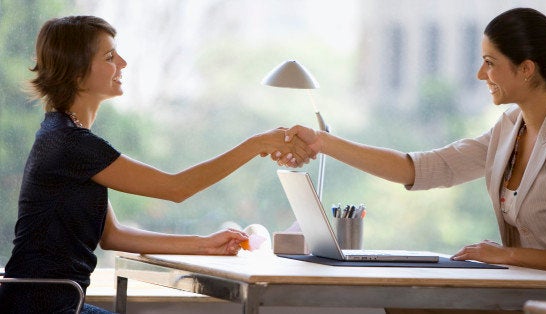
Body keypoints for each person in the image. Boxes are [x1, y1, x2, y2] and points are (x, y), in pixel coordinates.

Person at [286, 6, 546, 286]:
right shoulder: (509, 129)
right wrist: (324, 143)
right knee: (402, 300)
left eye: (490, 63)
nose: (480, 74)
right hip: (521, 291)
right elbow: (425, 168)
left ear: (525, 69)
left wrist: (506, 255)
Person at [0, 16, 313, 313]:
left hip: (51, 302)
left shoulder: (64, 135)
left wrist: (204, 245)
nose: (122, 63)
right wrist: (257, 143)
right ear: (76, 72)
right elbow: (175, 188)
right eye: (110, 57)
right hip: (43, 306)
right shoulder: (72, 143)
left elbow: (114, 236)